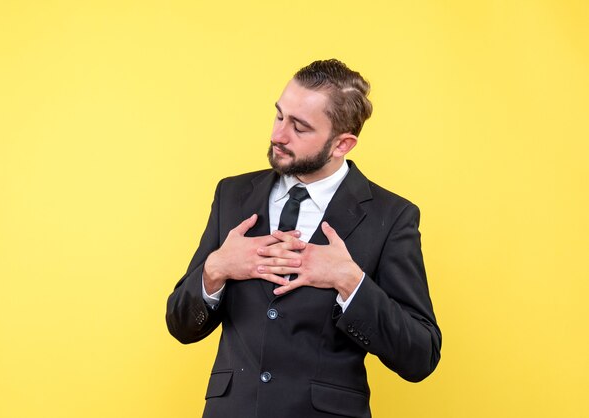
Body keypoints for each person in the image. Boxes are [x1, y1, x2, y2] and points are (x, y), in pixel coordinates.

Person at [166, 59, 441, 418]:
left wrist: (349, 281)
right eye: (279, 116)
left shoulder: (391, 217)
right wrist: (216, 269)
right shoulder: (232, 195)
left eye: (300, 127)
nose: (278, 135)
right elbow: (181, 325)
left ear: (342, 144)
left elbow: (420, 355)